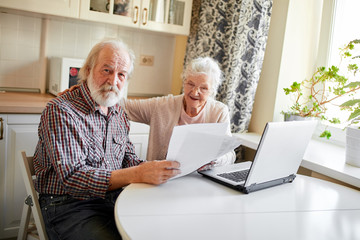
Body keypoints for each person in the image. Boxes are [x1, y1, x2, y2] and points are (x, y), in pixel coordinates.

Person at [33, 39, 180, 240]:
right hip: (69, 205)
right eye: (106, 70)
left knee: (166, 230)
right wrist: (138, 173)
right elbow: (73, 177)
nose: (113, 81)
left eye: (121, 74)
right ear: (88, 70)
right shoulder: (61, 111)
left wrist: (160, 169)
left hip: (115, 198)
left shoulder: (118, 112)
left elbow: (129, 160)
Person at [123, 57, 236, 169]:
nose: (195, 92)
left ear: (212, 91)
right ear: (184, 82)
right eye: (190, 84)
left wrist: (214, 160)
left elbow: (230, 155)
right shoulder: (162, 106)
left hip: (200, 179)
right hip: (161, 178)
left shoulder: (219, 111)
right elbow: (125, 106)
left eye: (203, 88)